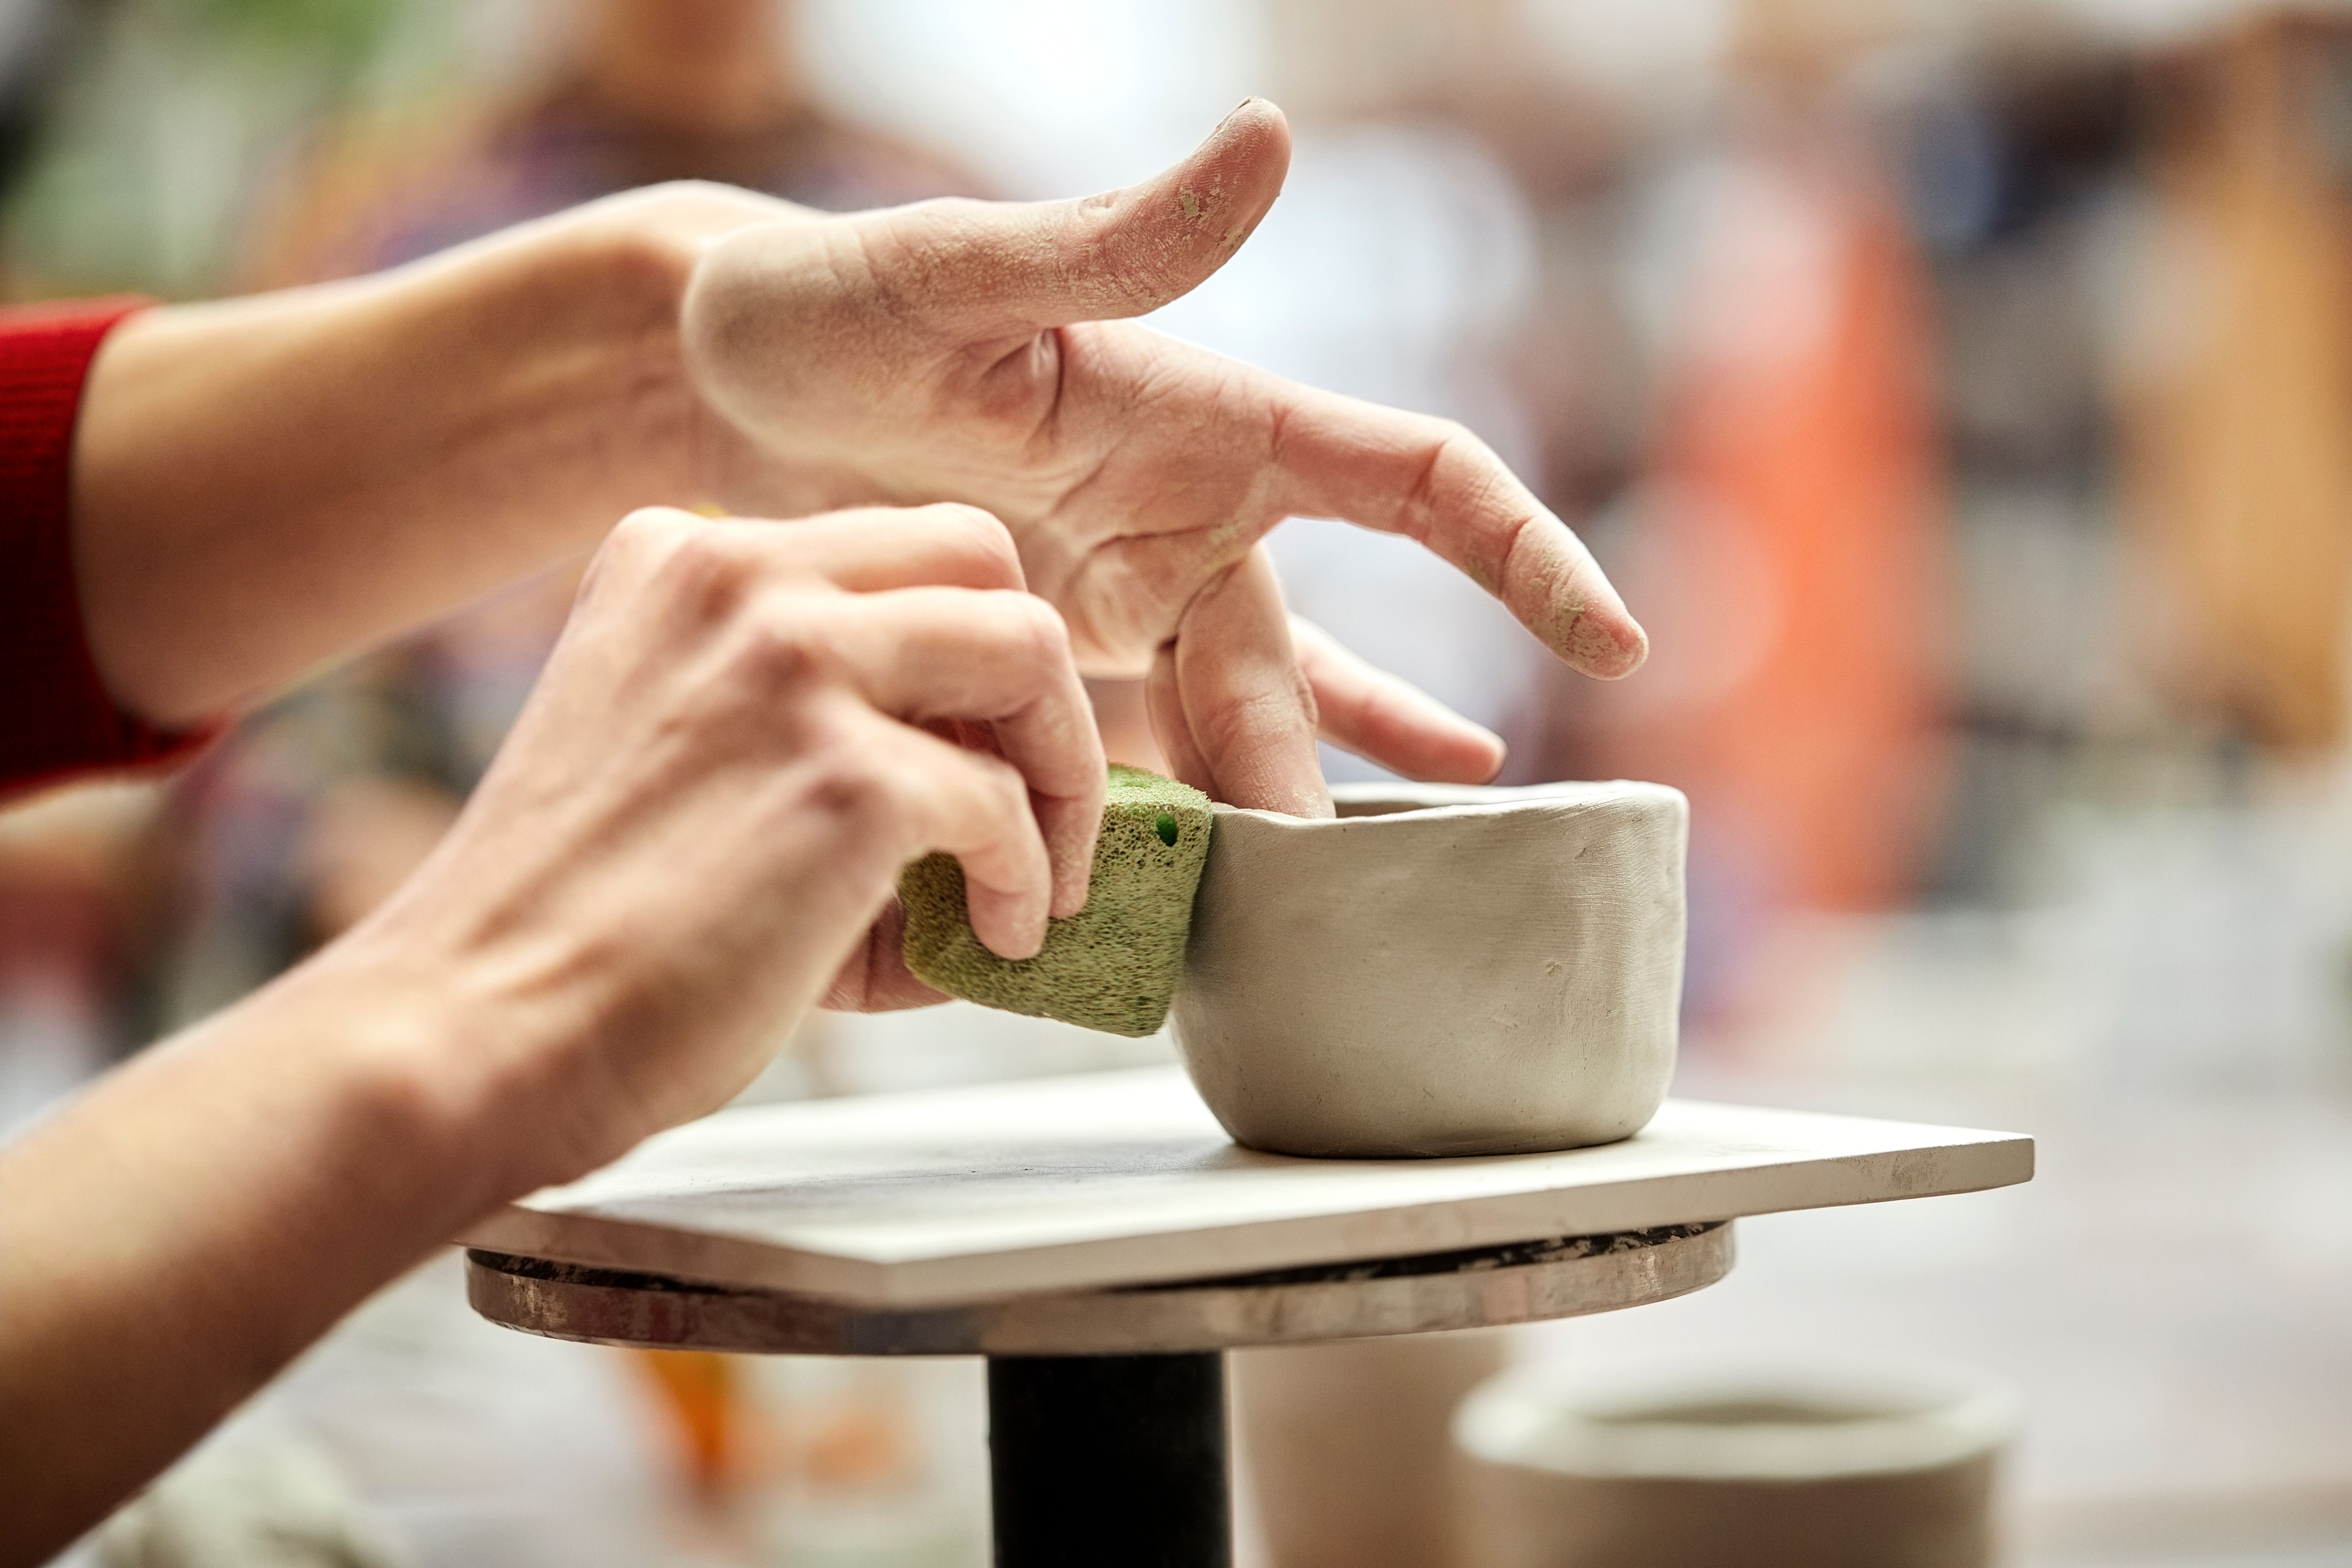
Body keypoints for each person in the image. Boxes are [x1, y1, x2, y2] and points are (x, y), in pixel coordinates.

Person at [0, 102, 1645, 1563]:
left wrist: (687, 371)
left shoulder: (915, 175)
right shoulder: (381, 178)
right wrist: (481, 1007)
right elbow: (278, 787)